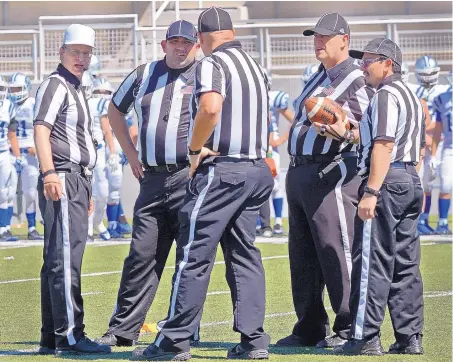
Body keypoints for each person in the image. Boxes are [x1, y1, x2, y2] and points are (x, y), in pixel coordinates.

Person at [134, 7, 273, 361]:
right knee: (244, 254)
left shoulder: (214, 63)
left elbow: (210, 108)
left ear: (203, 36)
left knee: (193, 253)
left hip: (225, 170)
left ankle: (174, 339)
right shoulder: (254, 65)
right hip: (257, 169)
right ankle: (253, 340)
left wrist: (194, 148)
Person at [95, 20, 201, 347]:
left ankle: (182, 330)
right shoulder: (143, 74)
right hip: (152, 178)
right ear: (164, 44)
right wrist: (129, 152)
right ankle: (122, 330)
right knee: (141, 255)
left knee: (189, 259)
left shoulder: (205, 73)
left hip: (190, 176)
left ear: (196, 45)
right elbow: (114, 111)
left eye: (187, 42)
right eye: (175, 42)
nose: (180, 48)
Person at [277, 13, 374, 349]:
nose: (318, 42)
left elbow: (369, 129)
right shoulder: (318, 76)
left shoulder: (358, 79)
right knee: (301, 253)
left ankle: (350, 327)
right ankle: (309, 326)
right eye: (315, 36)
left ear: (344, 40)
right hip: (300, 171)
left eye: (324, 37)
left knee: (336, 248)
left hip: (331, 170)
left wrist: (345, 131)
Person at [335, 38, 425, 356]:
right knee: (405, 263)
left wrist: (371, 190)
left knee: (372, 260)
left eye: (369, 61)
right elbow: (415, 142)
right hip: (409, 178)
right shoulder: (411, 95)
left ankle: (365, 337)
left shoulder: (385, 94)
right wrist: (346, 132)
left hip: (387, 181)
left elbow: (384, 144)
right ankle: (409, 337)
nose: (362, 66)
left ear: (388, 63)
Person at [33, 24, 110, 355]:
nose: (81, 58)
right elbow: (41, 129)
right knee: (65, 258)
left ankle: (51, 336)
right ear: (61, 52)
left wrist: (87, 187)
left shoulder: (79, 88)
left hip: (76, 178)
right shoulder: (56, 84)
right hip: (62, 176)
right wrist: (49, 172)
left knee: (58, 257)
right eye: (75, 52)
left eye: (86, 53)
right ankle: (70, 335)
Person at [409, 55, 450, 234]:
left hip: (444, 142)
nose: (426, 78)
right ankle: (422, 220)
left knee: (446, 183)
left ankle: (441, 221)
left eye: (430, 74)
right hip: (425, 143)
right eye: (423, 74)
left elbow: (440, 121)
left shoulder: (445, 90)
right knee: (425, 182)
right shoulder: (414, 91)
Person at [7, 72, 43, 240]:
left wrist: (37, 146)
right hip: (11, 153)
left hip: (29, 153)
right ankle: (4, 227)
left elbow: (41, 128)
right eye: (12, 88)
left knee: (30, 192)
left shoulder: (33, 104)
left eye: (17, 88)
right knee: (7, 192)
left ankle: (31, 227)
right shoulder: (6, 105)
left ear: (26, 88)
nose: (14, 92)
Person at [81, 73, 115, 241]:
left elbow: (106, 129)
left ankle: (98, 221)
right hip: (83, 152)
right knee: (88, 191)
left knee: (103, 191)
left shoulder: (97, 104)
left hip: (99, 151)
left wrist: (113, 152)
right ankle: (86, 228)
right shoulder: (73, 103)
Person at [257, 87, 294, 237]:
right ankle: (263, 224)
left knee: (274, 186)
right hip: (258, 149)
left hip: (270, 152)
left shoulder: (271, 99)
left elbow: (294, 119)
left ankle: (276, 222)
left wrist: (283, 138)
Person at [0, 75, 21, 242]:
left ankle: (4, 228)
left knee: (6, 191)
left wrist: (18, 156)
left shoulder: (8, 106)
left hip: (4, 153)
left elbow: (12, 134)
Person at [430, 76, 452, 234]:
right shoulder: (443, 99)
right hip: (449, 148)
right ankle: (442, 222)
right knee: (445, 184)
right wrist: (433, 154)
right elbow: (437, 130)